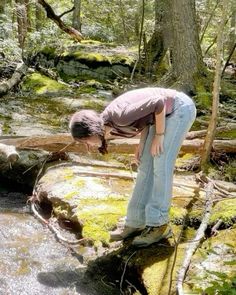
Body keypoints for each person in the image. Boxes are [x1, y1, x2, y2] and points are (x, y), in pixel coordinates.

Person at [69, 87, 196, 247]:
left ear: (93, 131)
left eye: (85, 141)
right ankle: (136, 222)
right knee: (145, 166)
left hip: (178, 109)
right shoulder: (109, 123)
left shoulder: (120, 118)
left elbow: (158, 103)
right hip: (159, 117)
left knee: (161, 165)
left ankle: (159, 225)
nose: (88, 145)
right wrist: (141, 146)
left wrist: (159, 135)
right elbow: (146, 118)